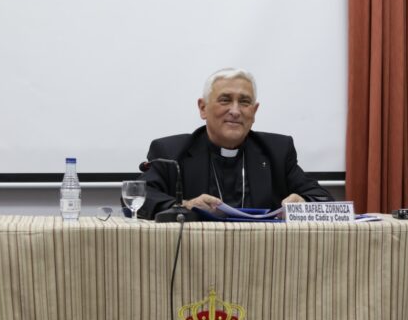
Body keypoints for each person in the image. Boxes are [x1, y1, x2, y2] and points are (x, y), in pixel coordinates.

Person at [138, 68, 332, 218]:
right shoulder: (171, 152)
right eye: (225, 100)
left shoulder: (277, 151)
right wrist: (185, 206)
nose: (235, 111)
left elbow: (324, 200)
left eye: (245, 102)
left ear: (254, 111)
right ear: (203, 108)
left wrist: (304, 202)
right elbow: (139, 198)